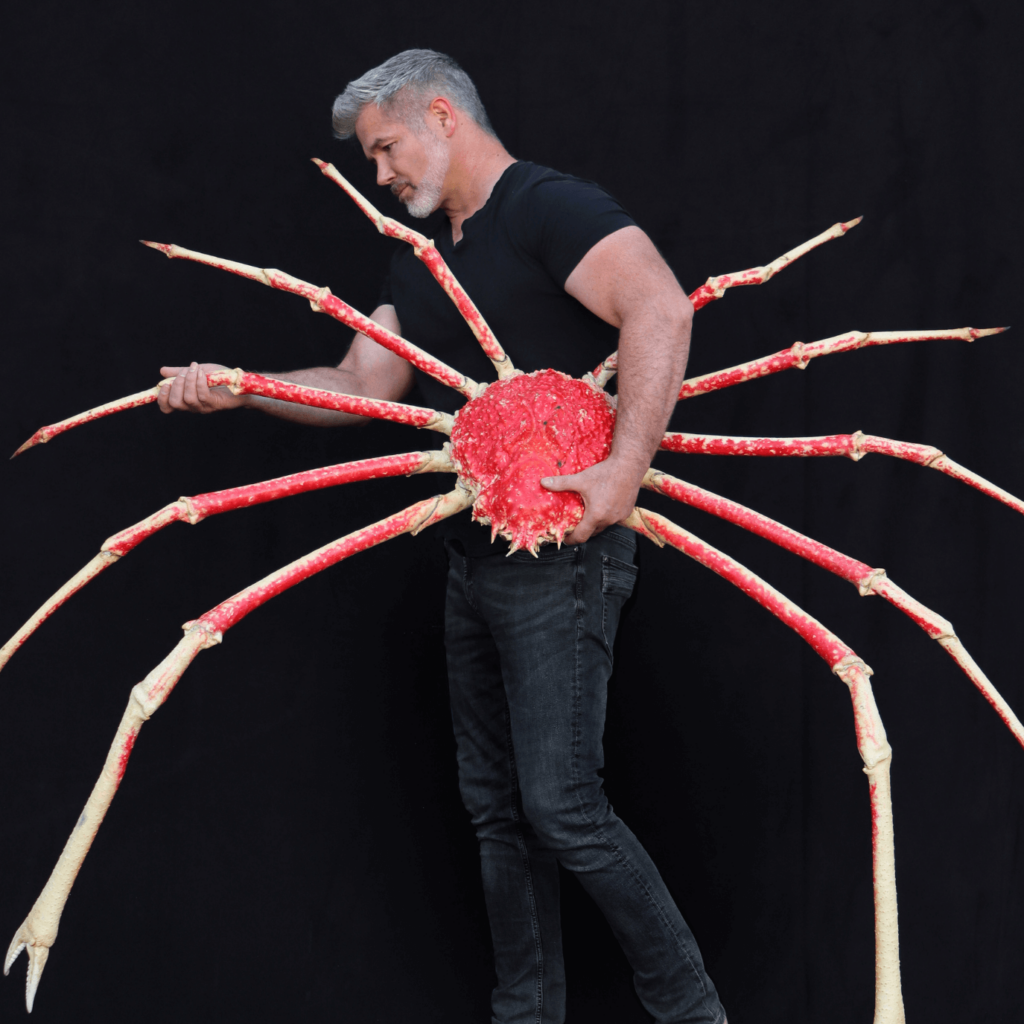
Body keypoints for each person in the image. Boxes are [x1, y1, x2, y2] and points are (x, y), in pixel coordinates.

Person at [158, 49, 726, 1024]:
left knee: (561, 807)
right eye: (372, 160)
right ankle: (525, 1015)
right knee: (498, 813)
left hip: (570, 554)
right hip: (475, 554)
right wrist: (245, 384)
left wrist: (624, 468)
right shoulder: (425, 260)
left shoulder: (546, 207)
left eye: (386, 149)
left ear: (442, 115)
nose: (381, 174)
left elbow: (659, 305)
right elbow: (359, 387)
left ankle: (691, 1011)